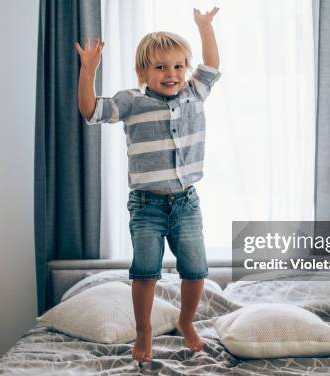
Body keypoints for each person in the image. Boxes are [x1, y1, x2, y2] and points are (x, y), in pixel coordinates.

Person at [76, 7, 220, 364]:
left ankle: (186, 321)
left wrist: (204, 28)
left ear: (186, 68)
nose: (171, 74)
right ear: (144, 71)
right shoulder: (132, 102)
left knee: (195, 268)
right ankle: (144, 331)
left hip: (186, 202)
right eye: (160, 67)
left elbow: (213, 65)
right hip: (147, 205)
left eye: (177, 66)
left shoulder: (194, 94)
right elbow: (90, 111)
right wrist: (88, 72)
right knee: (145, 271)